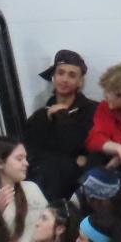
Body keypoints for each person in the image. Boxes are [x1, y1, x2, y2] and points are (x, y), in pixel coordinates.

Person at [26, 48, 100, 199]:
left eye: (72, 75)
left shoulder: (94, 111)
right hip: (44, 181)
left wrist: (62, 116)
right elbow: (31, 150)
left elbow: (82, 145)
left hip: (77, 184)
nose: (65, 79)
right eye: (60, 73)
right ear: (53, 76)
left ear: (80, 81)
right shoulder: (39, 117)